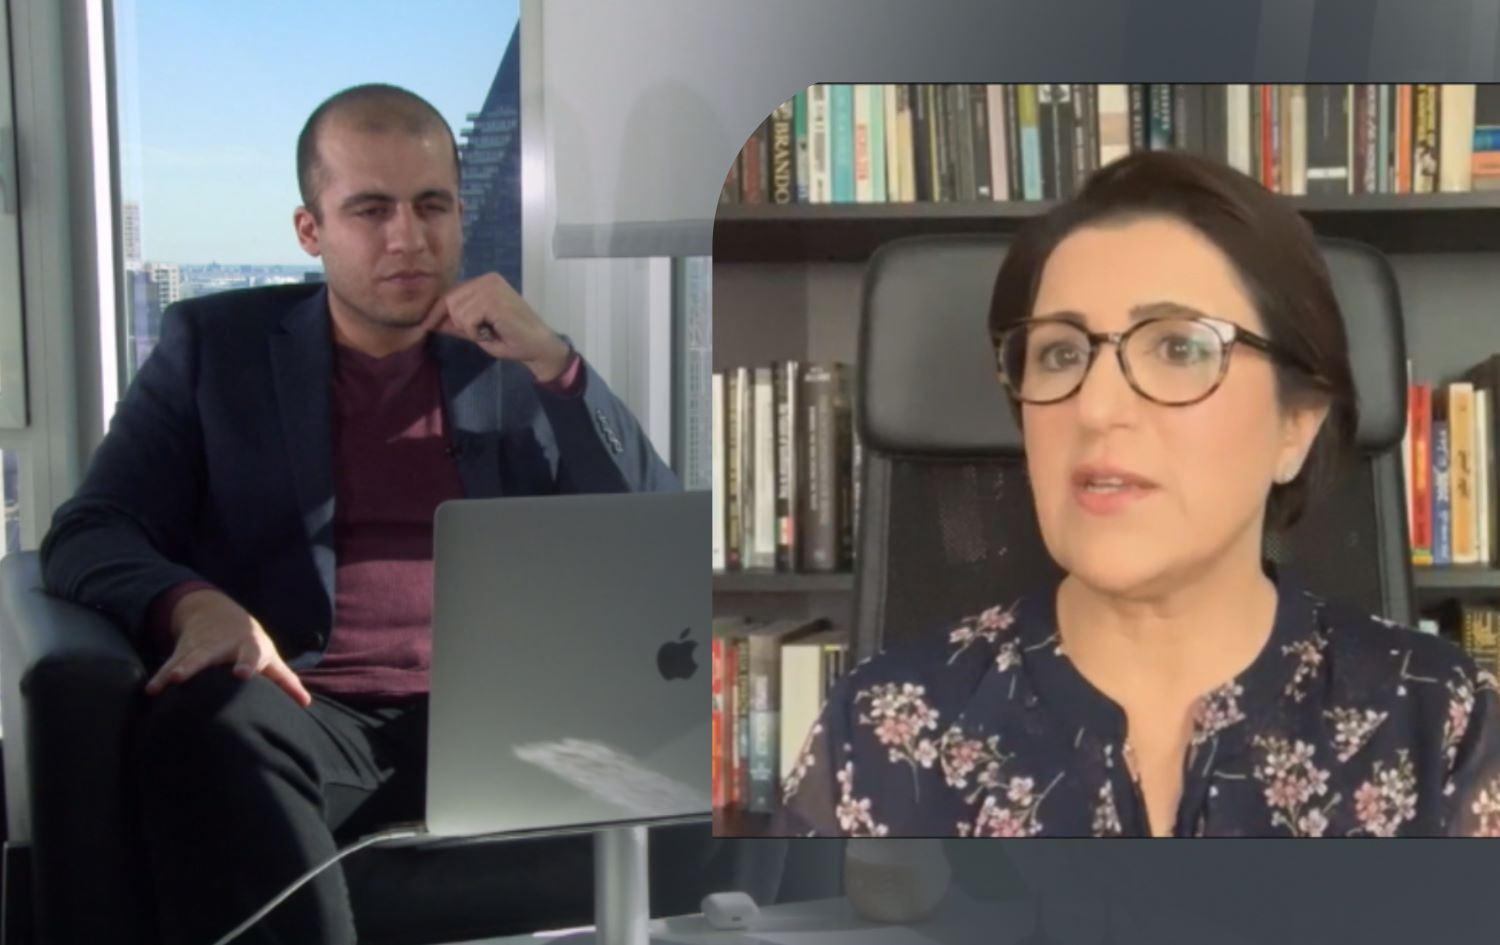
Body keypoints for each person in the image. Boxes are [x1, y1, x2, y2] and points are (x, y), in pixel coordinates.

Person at [39, 83, 677, 944]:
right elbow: (90, 528)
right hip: (309, 705)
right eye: (371, 210)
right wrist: (195, 605)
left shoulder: (514, 358)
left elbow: (648, 535)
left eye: (432, 206)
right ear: (311, 230)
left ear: (460, 215)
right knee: (207, 725)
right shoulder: (213, 351)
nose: (408, 238)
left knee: (744, 725)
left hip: (502, 712)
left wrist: (558, 367)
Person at [775, 149, 1500, 838]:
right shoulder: (875, 735)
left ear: (1295, 426)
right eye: (1060, 352)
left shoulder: (1444, 725)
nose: (1094, 407)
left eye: (1179, 347)